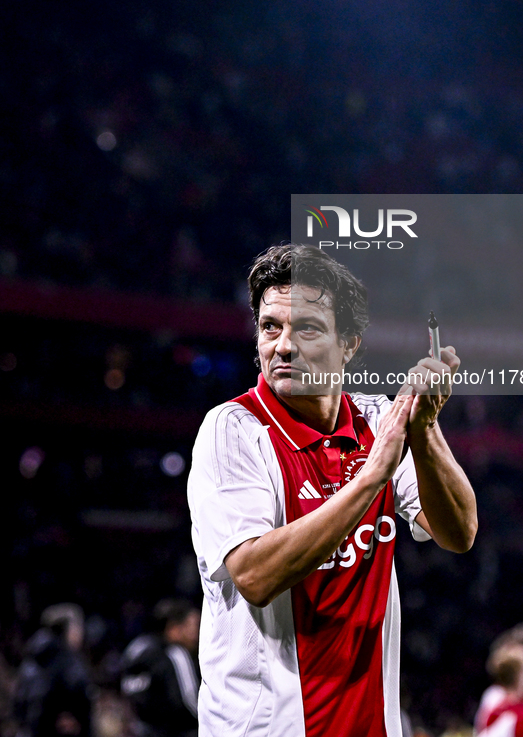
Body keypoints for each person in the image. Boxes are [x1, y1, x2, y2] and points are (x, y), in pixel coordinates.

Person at [188, 243, 478, 737]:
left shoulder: (375, 418)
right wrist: (371, 477)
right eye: (269, 326)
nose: (281, 345)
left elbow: (459, 531)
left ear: (350, 345)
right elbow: (254, 575)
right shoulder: (233, 429)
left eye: (307, 328)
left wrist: (424, 429)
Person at [120, 598, 200, 737]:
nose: (196, 634)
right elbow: (190, 698)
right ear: (174, 628)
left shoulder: (136, 648)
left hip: (139, 730)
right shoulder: (176, 654)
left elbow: (126, 691)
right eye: (191, 626)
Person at [13, 603, 93, 737]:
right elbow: (81, 708)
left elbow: (18, 707)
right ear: (69, 629)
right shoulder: (68, 662)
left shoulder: (30, 660)